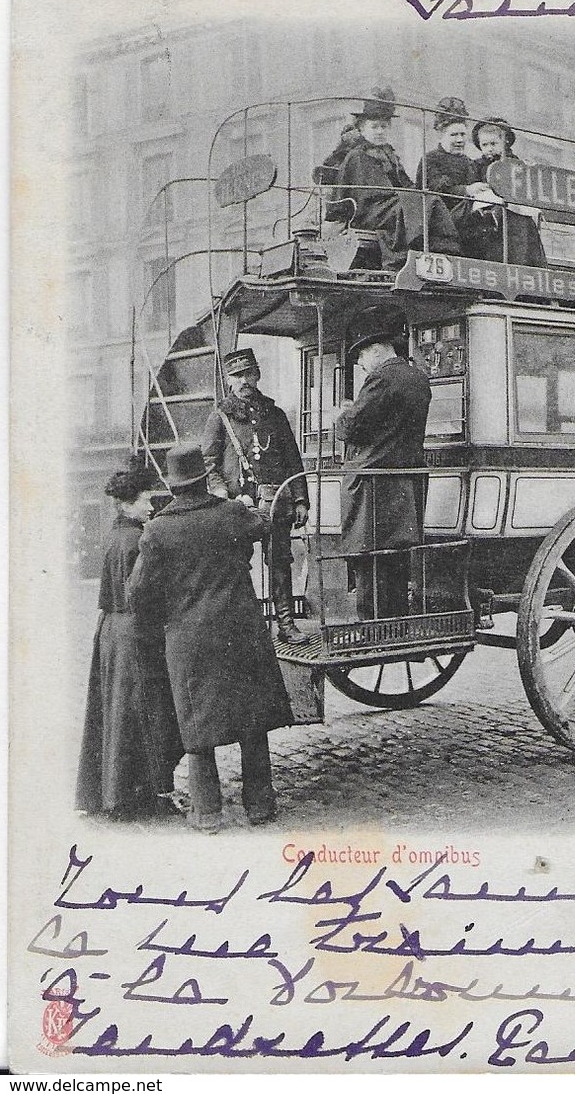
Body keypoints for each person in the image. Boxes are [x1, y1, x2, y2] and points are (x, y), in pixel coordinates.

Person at [128, 443, 294, 832]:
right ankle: (261, 806)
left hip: (189, 640)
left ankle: (207, 813)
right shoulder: (231, 514)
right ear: (204, 480)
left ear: (172, 487)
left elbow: (137, 594)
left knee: (197, 727)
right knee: (251, 722)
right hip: (241, 632)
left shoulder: (157, 531)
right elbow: (263, 525)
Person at [75, 456, 184, 821]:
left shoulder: (115, 534)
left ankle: (116, 794)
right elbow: (144, 594)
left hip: (112, 633)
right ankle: (140, 797)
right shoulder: (138, 539)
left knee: (117, 714)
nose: (152, 505)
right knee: (147, 715)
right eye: (145, 500)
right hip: (135, 634)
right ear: (127, 502)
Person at [201, 348, 309, 645]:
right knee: (236, 565)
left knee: (280, 562)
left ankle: (286, 624)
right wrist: (222, 494)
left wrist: (300, 499)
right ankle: (243, 629)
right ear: (228, 379)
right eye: (237, 375)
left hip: (275, 500)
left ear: (257, 374)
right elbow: (209, 463)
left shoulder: (274, 414)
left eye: (249, 374)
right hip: (238, 504)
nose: (244, 381)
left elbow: (292, 459)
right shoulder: (220, 417)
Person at [334, 305, 431, 621]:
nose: (360, 364)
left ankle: (371, 626)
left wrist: (343, 413)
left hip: (372, 486)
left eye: (360, 355)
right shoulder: (418, 379)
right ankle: (395, 624)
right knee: (396, 559)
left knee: (368, 558)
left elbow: (351, 428)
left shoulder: (380, 380)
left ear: (375, 348)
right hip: (405, 485)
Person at [329, 88, 461, 269]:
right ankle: (416, 244)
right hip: (369, 210)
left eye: (384, 126)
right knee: (412, 203)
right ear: (362, 129)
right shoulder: (357, 155)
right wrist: (402, 195)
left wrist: (417, 192)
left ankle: (444, 249)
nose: (380, 131)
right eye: (374, 127)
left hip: (388, 204)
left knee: (429, 200)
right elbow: (366, 192)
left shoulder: (389, 154)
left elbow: (404, 182)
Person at [415, 96, 491, 257]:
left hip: (468, 221)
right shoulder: (430, 159)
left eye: (463, 135)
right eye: (453, 135)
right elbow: (435, 190)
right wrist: (467, 190)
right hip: (442, 222)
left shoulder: (469, 162)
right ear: (440, 135)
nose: (459, 140)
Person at [469, 116, 547, 267]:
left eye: (493, 143)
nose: (489, 148)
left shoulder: (515, 163)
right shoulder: (477, 165)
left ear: (504, 142)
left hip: (514, 215)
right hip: (489, 214)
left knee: (519, 248)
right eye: (485, 145)